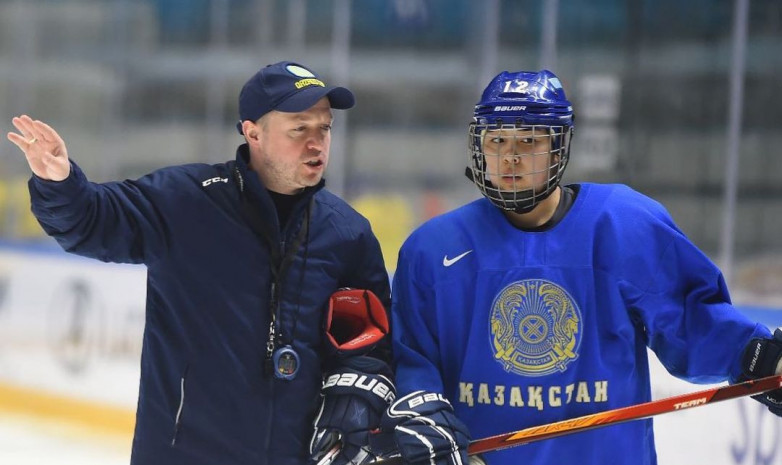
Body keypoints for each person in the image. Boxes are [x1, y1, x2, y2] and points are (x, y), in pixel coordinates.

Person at [382, 69, 782, 465]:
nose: (510, 157)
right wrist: (427, 425)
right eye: (497, 140)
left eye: (529, 141)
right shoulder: (432, 252)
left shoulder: (625, 226)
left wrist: (760, 359)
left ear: (558, 148)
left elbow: (696, 321)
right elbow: (414, 364)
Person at [7, 61, 395, 465]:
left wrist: (359, 402)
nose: (316, 143)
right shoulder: (186, 202)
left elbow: (369, 346)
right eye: (299, 128)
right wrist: (60, 183)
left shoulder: (348, 234)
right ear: (253, 132)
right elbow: (91, 221)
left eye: (324, 128)